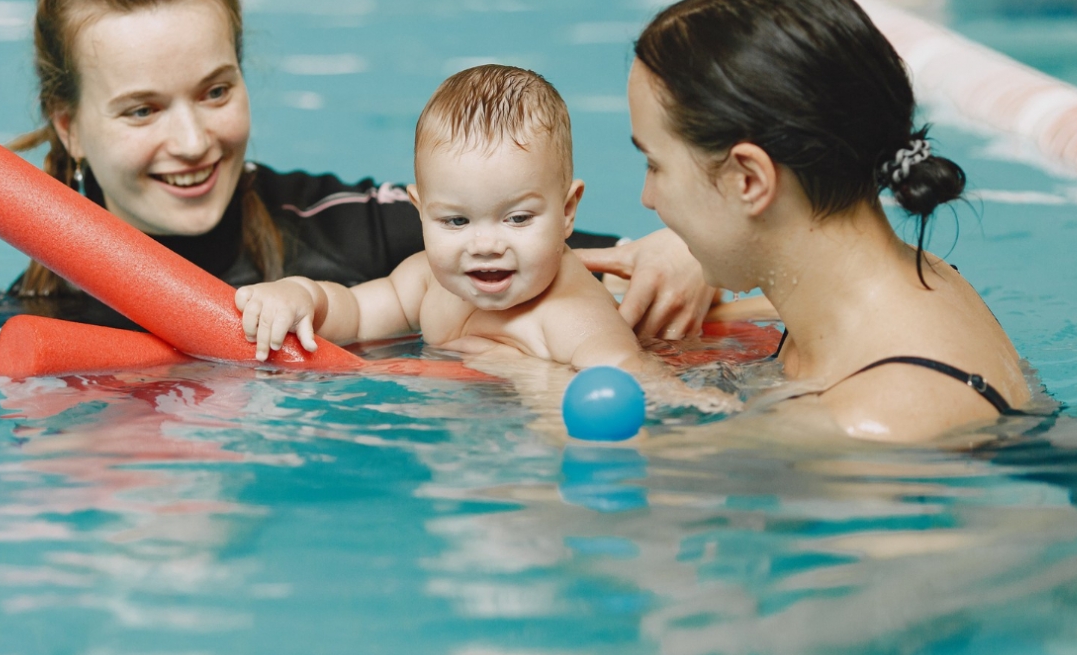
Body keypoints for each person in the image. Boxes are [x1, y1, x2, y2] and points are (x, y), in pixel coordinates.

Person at [0, 0, 717, 337]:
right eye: (141, 109)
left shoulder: (356, 230)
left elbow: (566, 242)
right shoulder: (40, 313)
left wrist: (682, 253)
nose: (191, 140)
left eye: (215, 91)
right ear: (69, 126)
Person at [625, 0, 1032, 442]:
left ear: (749, 180)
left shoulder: (862, 425)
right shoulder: (921, 280)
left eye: (655, 165)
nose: (647, 197)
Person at [234, 65, 731, 411]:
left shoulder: (570, 314)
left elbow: (627, 377)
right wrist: (299, 295)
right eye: (456, 222)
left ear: (567, 212)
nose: (486, 244)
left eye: (517, 219)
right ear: (420, 213)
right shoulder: (428, 280)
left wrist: (693, 403)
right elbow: (357, 313)